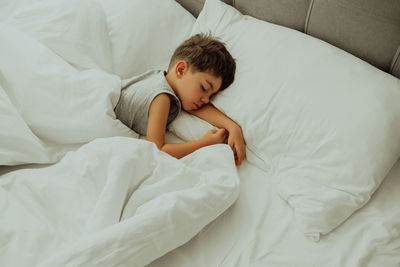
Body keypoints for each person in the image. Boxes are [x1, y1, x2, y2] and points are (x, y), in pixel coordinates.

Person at [115, 33, 246, 166]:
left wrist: (233, 127)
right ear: (181, 70)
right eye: (204, 87)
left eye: (211, 96)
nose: (206, 100)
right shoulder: (161, 98)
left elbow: (196, 109)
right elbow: (156, 151)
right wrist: (205, 143)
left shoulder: (165, 83)